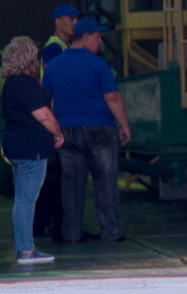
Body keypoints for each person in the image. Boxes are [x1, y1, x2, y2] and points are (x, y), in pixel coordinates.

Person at [44, 16, 130, 243]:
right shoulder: (98, 64)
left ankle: (71, 233)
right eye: (98, 36)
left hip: (66, 132)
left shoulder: (53, 65)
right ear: (86, 36)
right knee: (106, 181)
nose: (101, 42)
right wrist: (124, 125)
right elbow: (112, 97)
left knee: (71, 184)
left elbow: (48, 102)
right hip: (98, 129)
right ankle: (112, 231)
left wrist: (54, 131)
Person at [0, 36, 64, 264]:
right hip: (30, 150)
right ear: (28, 59)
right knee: (26, 200)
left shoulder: (10, 85)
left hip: (16, 148)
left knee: (22, 198)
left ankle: (25, 247)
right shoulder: (24, 85)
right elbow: (44, 114)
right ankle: (26, 250)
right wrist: (57, 133)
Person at [40, 4, 78, 71]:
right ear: (58, 22)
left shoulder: (66, 46)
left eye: (77, 19)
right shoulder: (53, 48)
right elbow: (51, 75)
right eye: (71, 19)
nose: (76, 22)